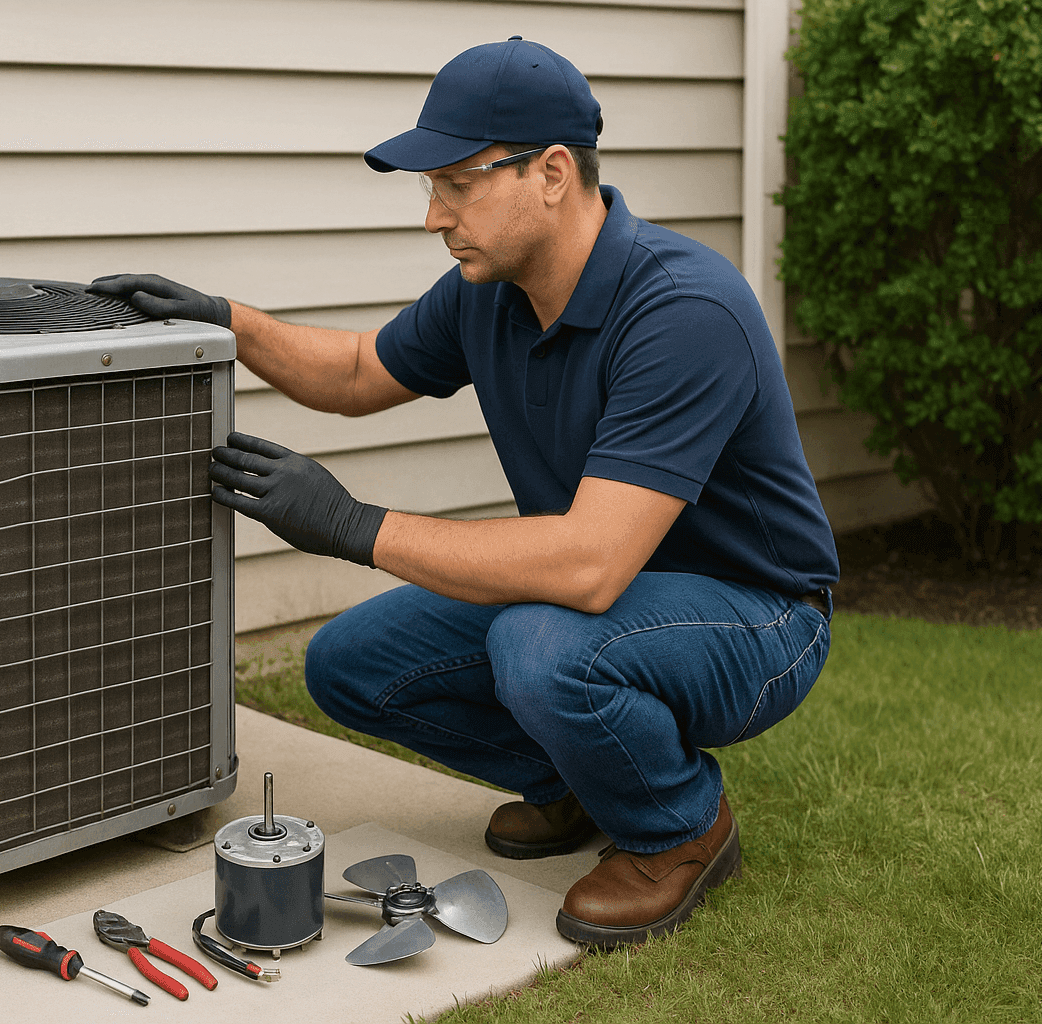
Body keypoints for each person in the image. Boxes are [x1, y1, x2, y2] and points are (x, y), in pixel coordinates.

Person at [88, 36, 839, 950]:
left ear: (553, 172)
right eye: (429, 187)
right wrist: (226, 321)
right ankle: (581, 781)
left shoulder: (684, 311)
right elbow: (363, 371)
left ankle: (679, 827)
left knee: (542, 644)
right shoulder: (490, 292)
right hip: (601, 596)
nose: (436, 216)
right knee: (350, 664)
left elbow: (592, 565)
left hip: (755, 613)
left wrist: (349, 525)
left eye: (459, 182)